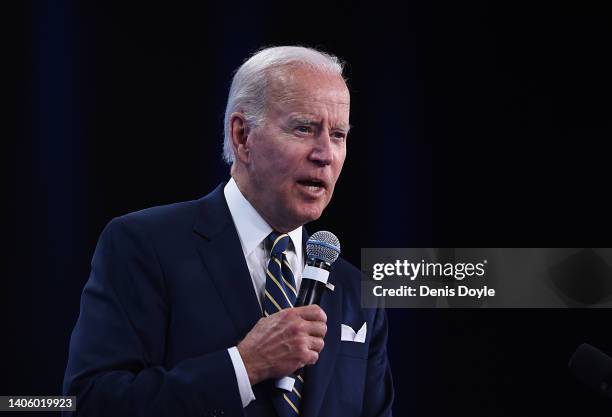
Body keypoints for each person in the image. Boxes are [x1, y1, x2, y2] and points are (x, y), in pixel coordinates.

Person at [63, 46, 394, 417]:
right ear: (242, 137)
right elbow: (87, 404)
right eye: (304, 128)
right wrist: (244, 365)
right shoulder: (143, 245)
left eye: (338, 135)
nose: (326, 154)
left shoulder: (355, 291)